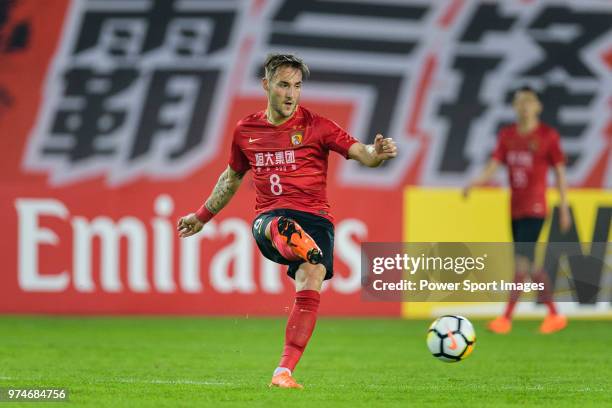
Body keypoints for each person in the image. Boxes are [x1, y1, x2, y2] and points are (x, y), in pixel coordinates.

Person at [177, 54, 398, 388]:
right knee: (277, 227)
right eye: (283, 84)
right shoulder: (246, 131)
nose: (291, 93)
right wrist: (202, 216)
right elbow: (231, 178)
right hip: (269, 218)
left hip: (316, 221)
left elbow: (362, 153)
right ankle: (286, 234)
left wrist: (376, 153)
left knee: (313, 277)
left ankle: (283, 372)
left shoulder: (319, 126)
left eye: (297, 86)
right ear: (267, 86)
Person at [464, 86, 571, 335]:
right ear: (514, 107)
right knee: (529, 264)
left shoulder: (547, 136)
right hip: (515, 208)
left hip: (536, 207)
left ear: (538, 107)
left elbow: (560, 173)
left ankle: (507, 317)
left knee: (522, 262)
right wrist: (475, 182)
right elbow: (494, 165)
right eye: (519, 102)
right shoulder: (507, 135)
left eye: (529, 102)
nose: (524, 106)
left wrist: (564, 208)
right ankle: (554, 314)